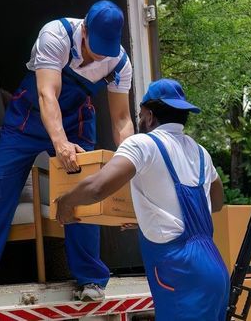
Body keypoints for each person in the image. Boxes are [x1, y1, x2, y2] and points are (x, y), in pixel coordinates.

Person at [0, 0, 135, 303]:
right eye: (93, 47)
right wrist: (60, 144)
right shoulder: (55, 35)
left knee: (85, 190)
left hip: (77, 123)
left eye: (105, 50)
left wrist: (131, 166)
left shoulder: (120, 62)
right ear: (84, 28)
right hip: (29, 117)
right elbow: (49, 94)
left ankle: (91, 279)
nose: (97, 55)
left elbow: (122, 120)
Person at [53, 79, 229, 320]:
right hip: (214, 267)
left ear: (149, 114)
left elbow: (97, 187)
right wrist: (152, 219)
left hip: (180, 270)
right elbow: (216, 202)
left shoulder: (143, 144)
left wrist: (66, 201)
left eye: (140, 113)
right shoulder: (199, 152)